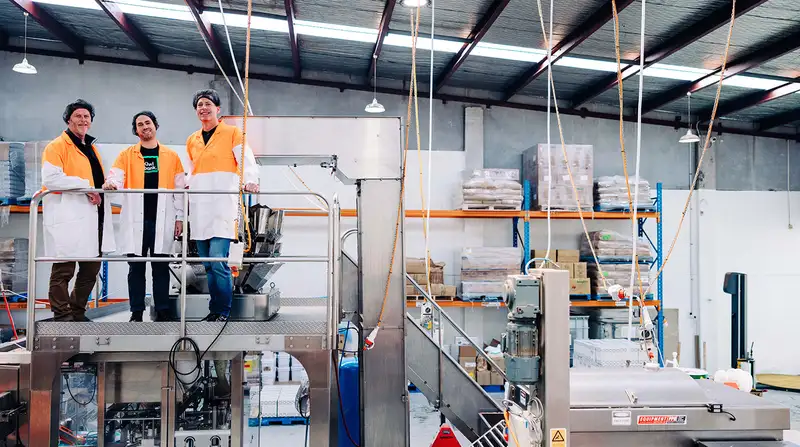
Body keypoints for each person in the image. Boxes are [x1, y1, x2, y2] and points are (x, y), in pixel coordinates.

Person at [103, 111, 186, 322]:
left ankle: (163, 310)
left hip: (162, 220)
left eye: (147, 122)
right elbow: (116, 176)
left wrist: (179, 218)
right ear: (136, 130)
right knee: (136, 268)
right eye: (139, 124)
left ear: (155, 125)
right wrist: (112, 184)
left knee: (160, 267)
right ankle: (136, 312)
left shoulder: (171, 156)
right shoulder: (127, 155)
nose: (144, 126)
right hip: (135, 220)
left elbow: (179, 190)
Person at [185, 89, 259, 322]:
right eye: (199, 105)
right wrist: (185, 185)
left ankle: (224, 311)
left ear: (218, 109)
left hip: (222, 206)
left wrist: (250, 181)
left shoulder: (232, 133)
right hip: (199, 207)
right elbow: (189, 170)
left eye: (208, 104)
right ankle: (214, 310)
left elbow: (246, 159)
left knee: (218, 261)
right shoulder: (192, 139)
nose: (203, 108)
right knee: (207, 265)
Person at [41, 99, 115, 322]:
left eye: (86, 116)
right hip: (68, 215)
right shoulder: (57, 146)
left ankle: (77, 310)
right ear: (68, 119)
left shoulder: (91, 148)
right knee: (64, 269)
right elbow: (51, 179)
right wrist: (86, 187)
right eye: (78, 116)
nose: (83, 120)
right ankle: (62, 314)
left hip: (93, 216)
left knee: (91, 269)